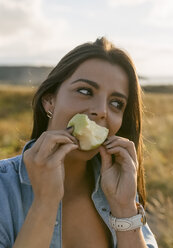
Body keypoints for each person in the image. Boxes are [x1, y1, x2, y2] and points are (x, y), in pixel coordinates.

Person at [0, 37, 158, 248]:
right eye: (85, 91)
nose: (101, 111)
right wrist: (45, 203)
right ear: (50, 101)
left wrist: (124, 209)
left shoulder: (120, 190)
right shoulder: (4, 189)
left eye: (116, 103)